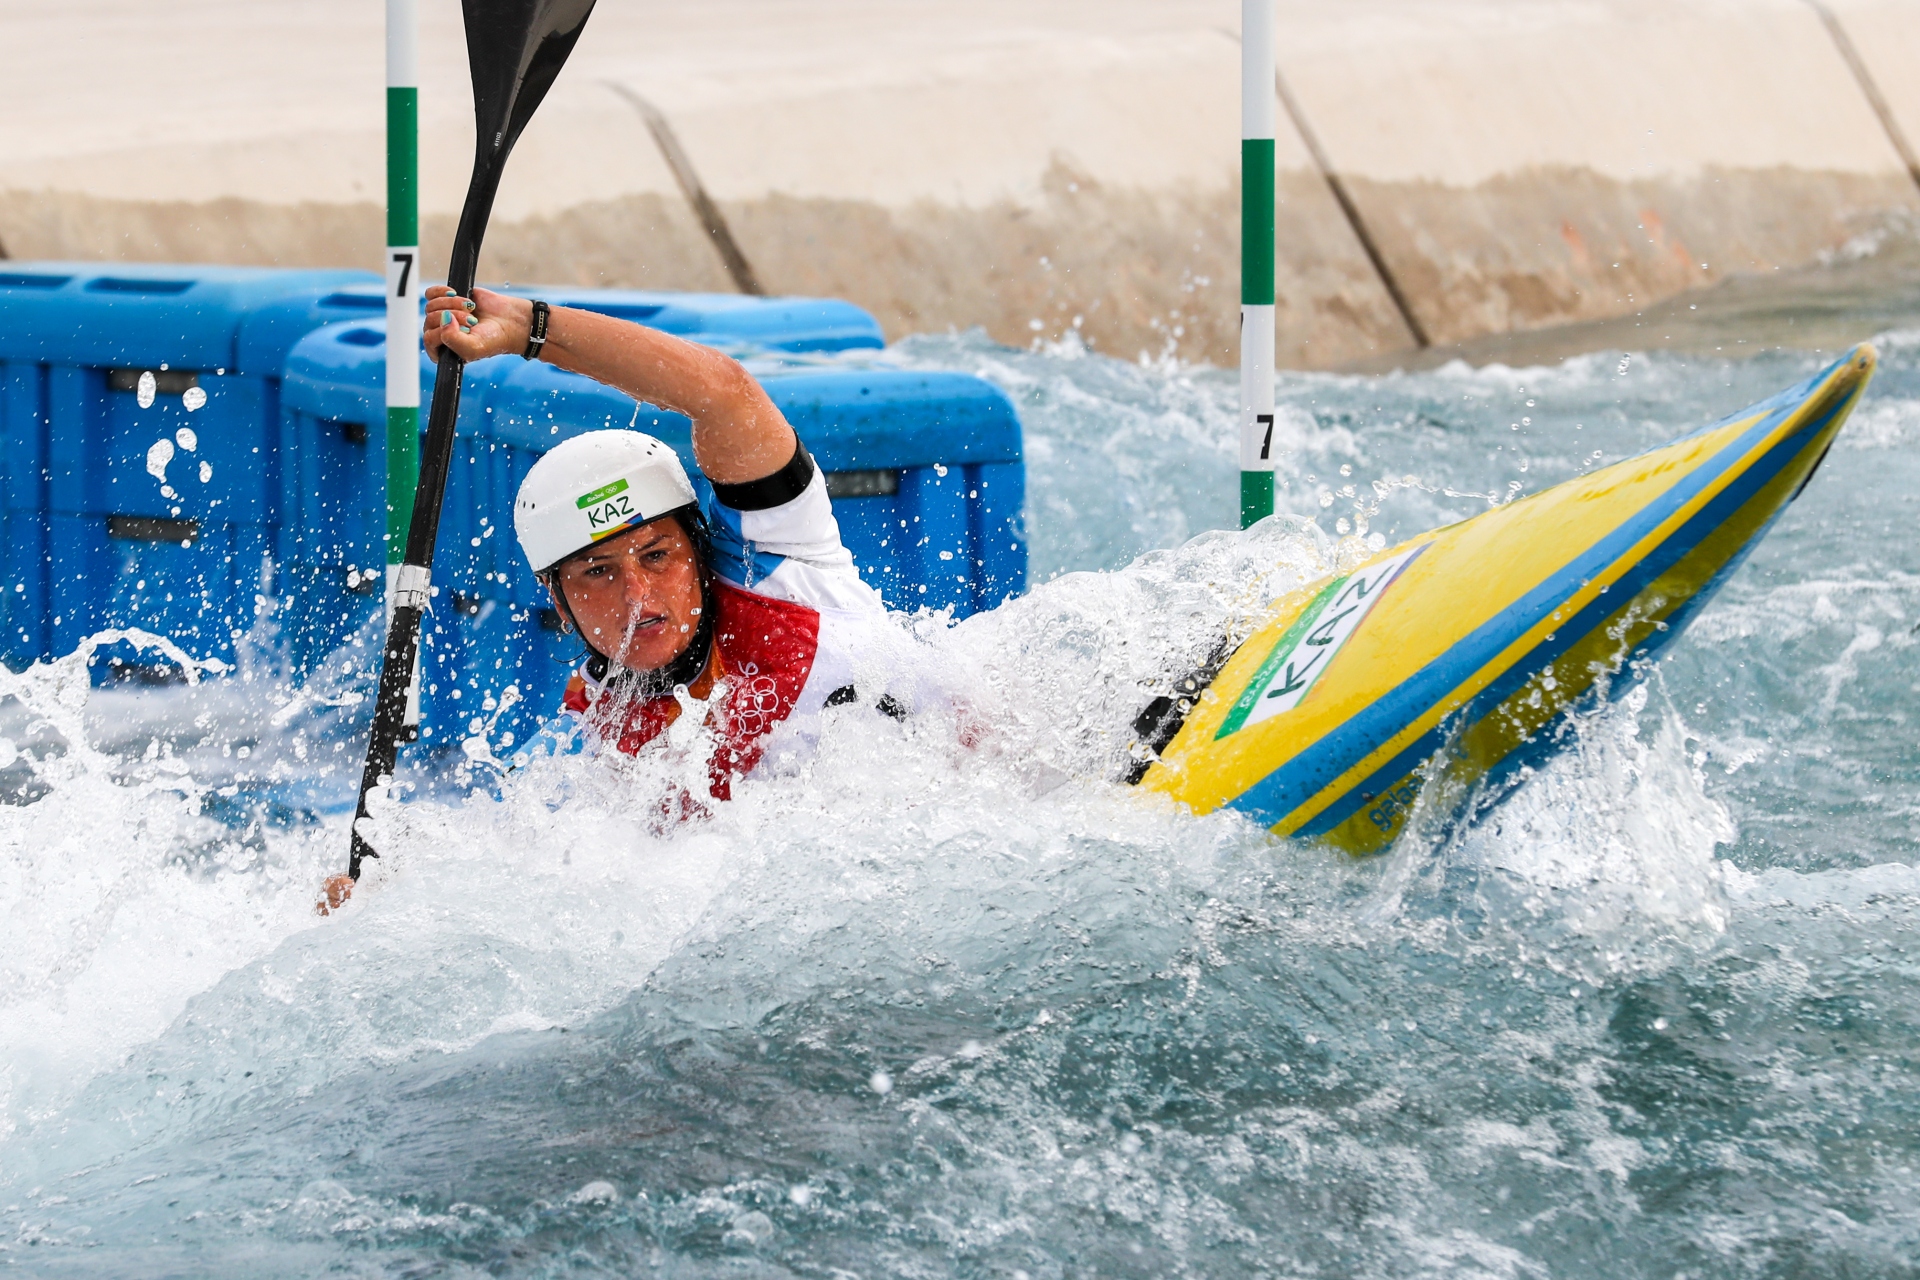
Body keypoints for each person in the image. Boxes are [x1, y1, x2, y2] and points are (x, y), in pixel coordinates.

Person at [317, 285, 919, 912]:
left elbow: (723, 395)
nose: (637, 595)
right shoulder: (605, 711)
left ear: (697, 545)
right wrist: (391, 908)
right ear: (556, 597)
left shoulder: (784, 566)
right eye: (598, 573)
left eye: (657, 556)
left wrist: (530, 327)